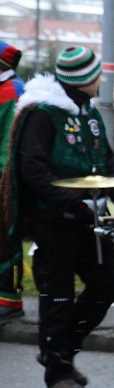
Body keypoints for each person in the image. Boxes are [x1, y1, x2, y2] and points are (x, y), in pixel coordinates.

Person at [9, 46, 114, 388]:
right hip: (53, 220)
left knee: (105, 288)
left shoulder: (90, 113)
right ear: (81, 81)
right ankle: (57, 373)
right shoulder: (42, 115)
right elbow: (32, 169)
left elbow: (106, 163)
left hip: (86, 219)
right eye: (96, 75)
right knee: (58, 296)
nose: (101, 81)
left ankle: (60, 350)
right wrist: (73, 203)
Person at [0, 40, 25, 322]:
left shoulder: (12, 91)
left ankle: (10, 298)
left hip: (4, 179)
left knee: (5, 240)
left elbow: (7, 144)